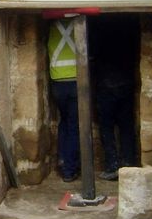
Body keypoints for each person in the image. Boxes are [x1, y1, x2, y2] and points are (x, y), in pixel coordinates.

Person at [89, 14, 138, 181]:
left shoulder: (97, 28)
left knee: (106, 126)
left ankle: (112, 165)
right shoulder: (128, 26)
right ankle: (129, 163)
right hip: (125, 81)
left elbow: (92, 55)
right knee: (126, 125)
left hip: (105, 84)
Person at [47, 18, 79, 182]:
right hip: (75, 81)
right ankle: (70, 169)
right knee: (74, 125)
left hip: (57, 82)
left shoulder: (53, 25)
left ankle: (62, 160)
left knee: (64, 122)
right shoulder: (78, 22)